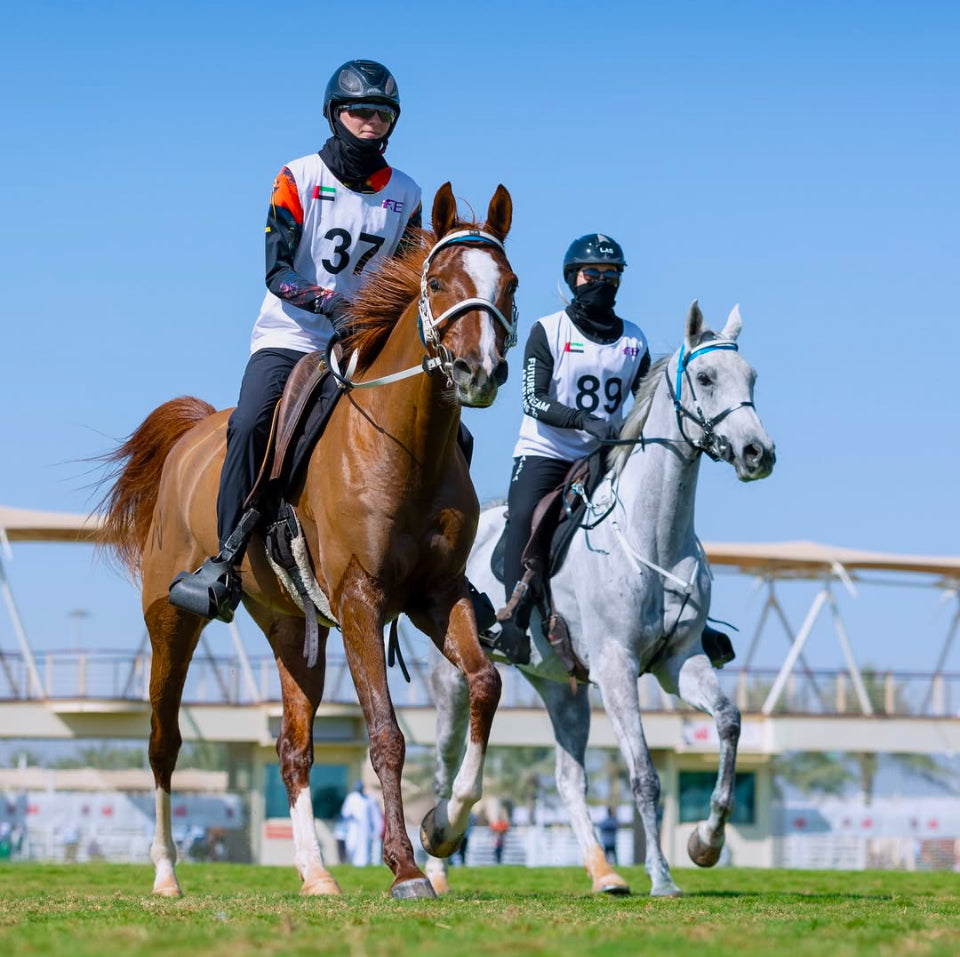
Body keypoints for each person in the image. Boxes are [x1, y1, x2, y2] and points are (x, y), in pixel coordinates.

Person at [169, 59, 422, 622]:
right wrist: (328, 303)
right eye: (359, 111)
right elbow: (276, 271)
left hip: (365, 342)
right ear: (336, 115)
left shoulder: (407, 193)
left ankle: (436, 557)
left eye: (381, 114)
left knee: (447, 430)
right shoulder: (297, 175)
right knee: (249, 423)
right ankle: (225, 563)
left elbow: (406, 281)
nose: (370, 122)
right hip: (292, 332)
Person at [494, 234, 650, 665]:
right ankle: (513, 620)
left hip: (603, 456)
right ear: (573, 278)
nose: (601, 281)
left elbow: (647, 401)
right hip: (547, 450)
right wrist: (584, 422)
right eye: (592, 274)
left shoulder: (635, 340)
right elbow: (533, 398)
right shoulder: (548, 330)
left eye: (610, 275)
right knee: (525, 517)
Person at [339, 781, 383, 866]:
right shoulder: (351, 798)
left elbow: (375, 815)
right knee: (351, 846)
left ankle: (362, 865)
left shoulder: (369, 799)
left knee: (364, 848)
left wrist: (377, 829)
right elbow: (344, 812)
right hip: (352, 828)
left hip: (365, 829)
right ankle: (352, 863)